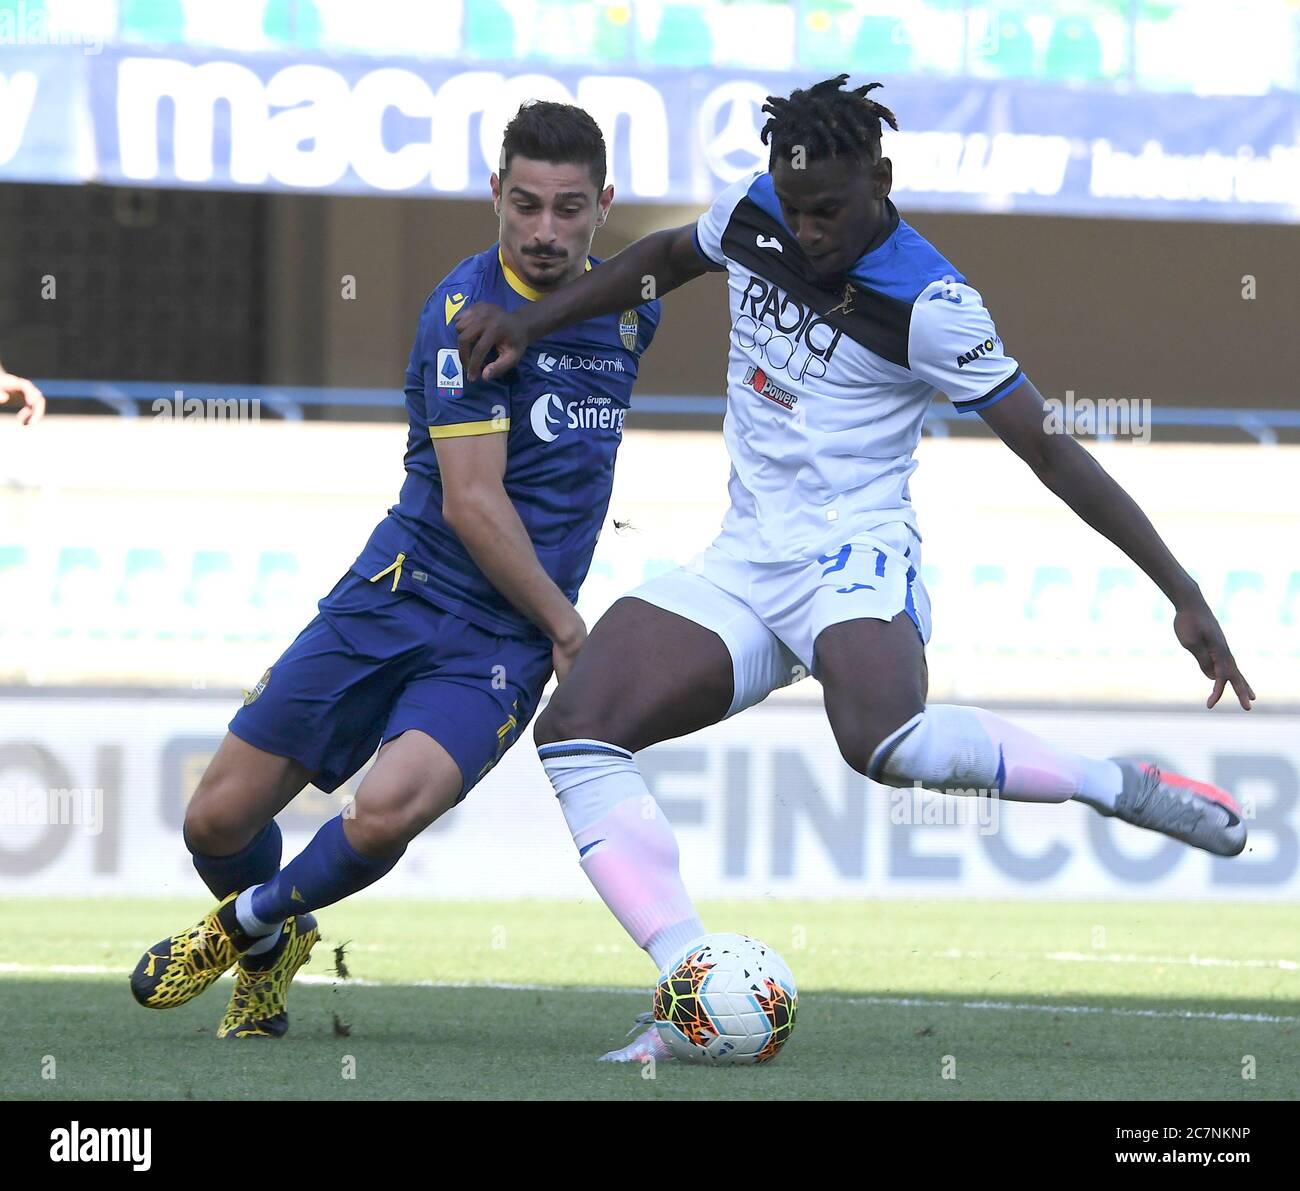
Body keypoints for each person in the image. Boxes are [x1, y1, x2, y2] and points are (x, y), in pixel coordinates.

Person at [454, 76, 1254, 1063]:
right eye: (795, 211)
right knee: (576, 730)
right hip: (744, 559)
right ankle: (694, 984)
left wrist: (1180, 592)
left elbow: (1049, 449)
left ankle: (1107, 784)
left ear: (879, 178)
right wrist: (533, 322)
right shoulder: (756, 213)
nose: (807, 230)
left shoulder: (932, 303)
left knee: (880, 742)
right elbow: (664, 257)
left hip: (852, 559)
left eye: (827, 212)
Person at [128, 100, 660, 1038]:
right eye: (525, 204)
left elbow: (694, 255)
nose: (545, 231)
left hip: (498, 639)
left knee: (382, 813)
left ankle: (243, 926)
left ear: (603, 204)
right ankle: (271, 949)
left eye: (569, 209)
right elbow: (473, 503)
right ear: (494, 193)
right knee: (215, 821)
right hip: (398, 593)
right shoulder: (464, 314)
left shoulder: (632, 309)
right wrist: (571, 628)